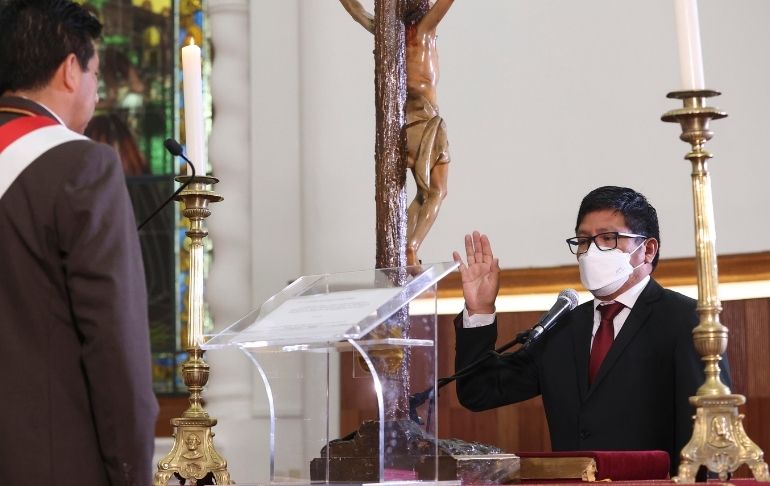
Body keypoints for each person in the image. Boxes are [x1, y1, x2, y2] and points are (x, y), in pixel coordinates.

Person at [451, 186, 730, 476]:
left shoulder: (687, 319)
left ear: (647, 249)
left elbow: (707, 438)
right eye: (584, 240)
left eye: (608, 238)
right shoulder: (562, 325)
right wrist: (480, 310)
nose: (592, 251)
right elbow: (480, 392)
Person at [0, 1, 158, 485]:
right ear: (71, 69)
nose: (96, 90)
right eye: (95, 73)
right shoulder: (81, 167)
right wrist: (132, 472)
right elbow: (116, 349)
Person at [340, 0, 453, 265]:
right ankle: (412, 246)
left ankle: (405, 248)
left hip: (405, 127)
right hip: (426, 122)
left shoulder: (385, 31)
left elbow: (357, 12)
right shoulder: (424, 31)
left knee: (421, 195)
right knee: (437, 191)